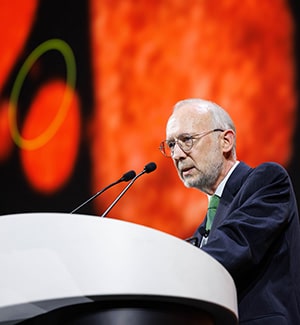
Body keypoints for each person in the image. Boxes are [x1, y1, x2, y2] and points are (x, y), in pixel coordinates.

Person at [159, 98, 300, 324]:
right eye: (172, 145)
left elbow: (235, 245)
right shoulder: (203, 228)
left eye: (186, 140)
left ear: (225, 141)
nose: (176, 155)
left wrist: (168, 273)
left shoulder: (268, 182)